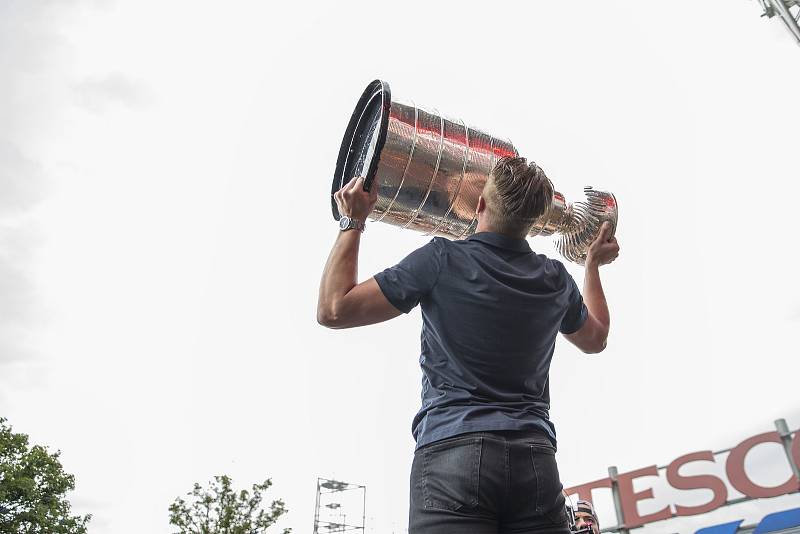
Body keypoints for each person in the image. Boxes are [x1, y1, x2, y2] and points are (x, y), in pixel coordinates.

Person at [317, 156, 620, 534]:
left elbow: (334, 309)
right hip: (534, 460)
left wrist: (353, 221)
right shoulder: (555, 279)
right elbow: (597, 339)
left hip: (452, 455)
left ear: (479, 205)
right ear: (533, 222)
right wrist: (591, 265)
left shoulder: (442, 259)